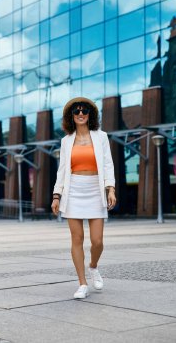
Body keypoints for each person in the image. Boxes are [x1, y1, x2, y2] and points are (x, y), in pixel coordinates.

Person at [51, 97, 116, 299]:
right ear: (71, 116)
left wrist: (110, 189)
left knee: (97, 241)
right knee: (77, 238)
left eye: (84, 111)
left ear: (90, 114)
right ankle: (82, 283)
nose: (80, 114)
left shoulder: (101, 136)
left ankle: (93, 266)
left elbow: (108, 164)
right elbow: (62, 170)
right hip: (73, 191)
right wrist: (56, 195)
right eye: (76, 111)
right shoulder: (66, 141)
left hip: (95, 189)